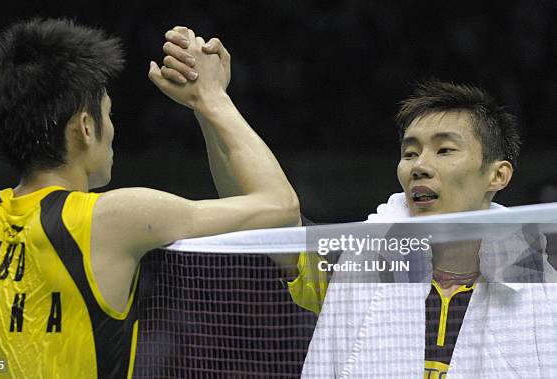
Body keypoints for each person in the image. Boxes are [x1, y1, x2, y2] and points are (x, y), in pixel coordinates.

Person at [161, 33, 557, 378]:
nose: (420, 166)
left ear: (498, 175)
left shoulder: (546, 291)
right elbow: (265, 211)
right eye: (410, 152)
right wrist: (210, 105)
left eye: (445, 149)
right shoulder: (357, 265)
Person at [0, 20, 299, 378]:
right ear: (85, 127)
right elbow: (280, 208)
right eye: (108, 113)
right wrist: (211, 99)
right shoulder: (114, 219)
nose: (112, 128)